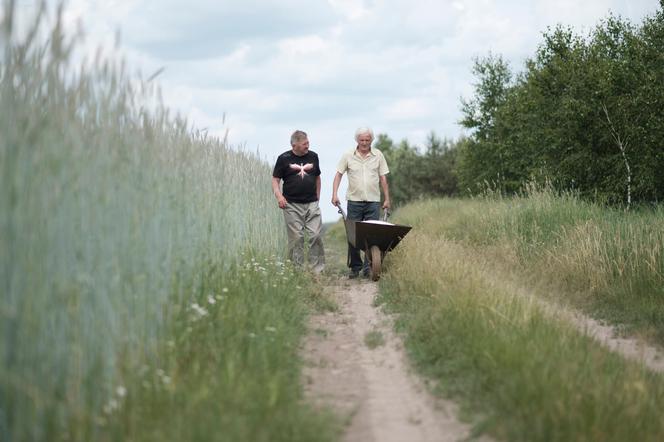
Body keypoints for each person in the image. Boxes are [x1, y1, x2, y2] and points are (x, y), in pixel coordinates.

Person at [331, 127, 391, 278]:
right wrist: (334, 194)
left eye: (367, 140)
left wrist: (387, 199)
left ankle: (368, 268)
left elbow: (383, 178)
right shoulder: (348, 155)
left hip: (373, 201)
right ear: (357, 140)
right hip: (354, 201)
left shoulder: (378, 155)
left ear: (371, 140)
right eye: (362, 140)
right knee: (353, 236)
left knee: (372, 236)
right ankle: (355, 267)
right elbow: (338, 175)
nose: (364, 143)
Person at [272, 130, 325, 274]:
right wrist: (279, 196)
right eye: (304, 143)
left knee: (315, 235)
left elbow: (317, 178)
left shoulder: (313, 156)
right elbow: (275, 180)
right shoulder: (283, 158)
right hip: (291, 205)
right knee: (297, 238)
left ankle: (317, 271)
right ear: (294, 145)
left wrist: (317, 197)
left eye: (308, 142)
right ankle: (297, 271)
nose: (308, 145)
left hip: (311, 203)